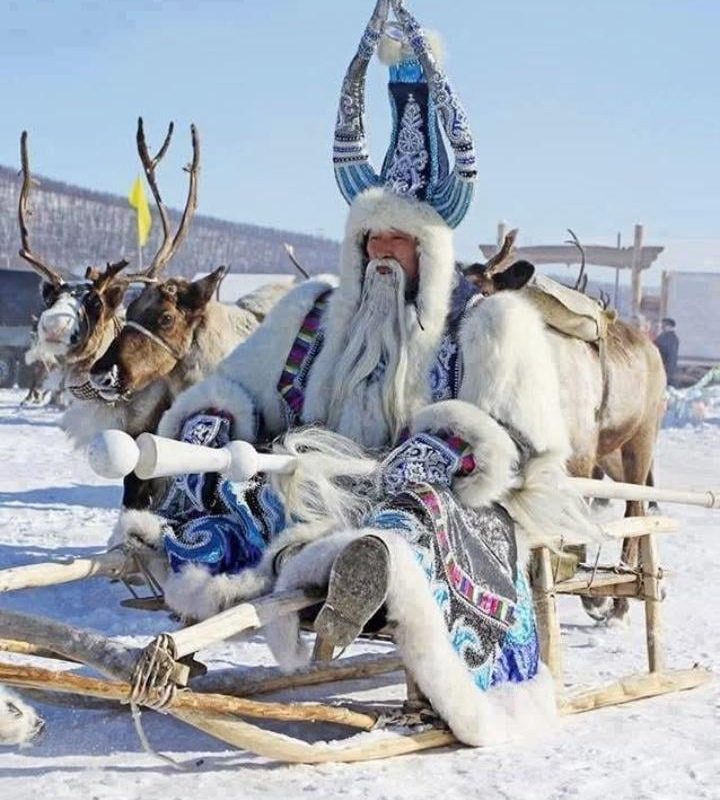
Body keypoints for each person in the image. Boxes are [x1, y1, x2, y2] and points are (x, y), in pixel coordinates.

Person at [113, 0, 589, 746]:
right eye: (369, 238)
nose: (379, 254)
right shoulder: (313, 315)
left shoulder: (488, 326)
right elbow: (239, 387)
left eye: (398, 240)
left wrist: (431, 455)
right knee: (235, 482)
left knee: (418, 519)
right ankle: (205, 564)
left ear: (428, 252)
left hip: (445, 505)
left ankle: (372, 573)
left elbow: (521, 447)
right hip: (321, 491)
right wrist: (212, 424)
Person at [654, 317, 680, 386]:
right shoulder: (669, 337)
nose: (662, 327)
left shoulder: (669, 338)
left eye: (663, 325)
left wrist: (668, 373)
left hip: (664, 368)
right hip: (665, 368)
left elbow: (671, 356)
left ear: (668, 326)